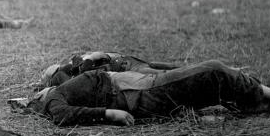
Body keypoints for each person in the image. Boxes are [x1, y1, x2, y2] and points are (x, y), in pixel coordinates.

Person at [26, 59, 270, 126]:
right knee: (213, 70)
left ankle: (259, 102)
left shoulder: (65, 84)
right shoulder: (53, 98)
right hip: (140, 93)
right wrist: (110, 114)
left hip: (141, 85)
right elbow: (62, 115)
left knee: (210, 79)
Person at [38, 51, 181, 88]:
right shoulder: (78, 73)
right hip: (128, 67)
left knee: (161, 70)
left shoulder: (80, 62)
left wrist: (89, 60)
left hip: (127, 62)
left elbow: (99, 55)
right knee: (163, 73)